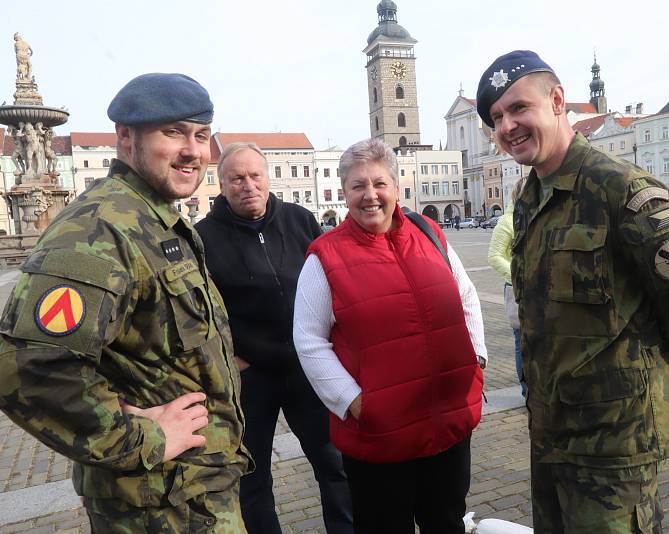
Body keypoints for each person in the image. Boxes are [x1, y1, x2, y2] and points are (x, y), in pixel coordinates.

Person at [476, 50, 669, 533]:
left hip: (616, 438)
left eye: (518, 108)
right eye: (496, 118)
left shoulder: (620, 189)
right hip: (552, 429)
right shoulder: (530, 198)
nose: (507, 127)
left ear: (558, 100)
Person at [0, 73, 252, 532]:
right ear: (124, 137)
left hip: (195, 490)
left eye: (200, 135)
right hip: (157, 507)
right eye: (172, 132)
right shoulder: (99, 228)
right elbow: (27, 367)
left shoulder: (156, 220)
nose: (193, 151)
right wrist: (142, 438)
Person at [293, 138, 486, 534]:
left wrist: (477, 359)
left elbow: (465, 295)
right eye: (357, 186)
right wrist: (355, 402)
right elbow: (309, 341)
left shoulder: (428, 231)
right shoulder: (325, 257)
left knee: (446, 522)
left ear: (396, 187)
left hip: (446, 422)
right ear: (344, 192)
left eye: (379, 183)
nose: (370, 195)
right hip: (381, 435)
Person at [195, 142, 354, 533]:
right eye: (237, 178)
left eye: (255, 176)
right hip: (251, 376)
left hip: (308, 368)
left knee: (334, 464)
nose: (247, 185)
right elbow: (197, 311)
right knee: (252, 476)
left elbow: (333, 280)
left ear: (267, 179)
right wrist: (228, 356)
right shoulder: (202, 237)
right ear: (222, 184)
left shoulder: (299, 220)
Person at [487, 178, 526, 397]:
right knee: (521, 340)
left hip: (540, 289)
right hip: (517, 289)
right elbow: (494, 257)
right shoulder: (507, 222)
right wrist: (519, 275)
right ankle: (526, 390)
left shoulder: (535, 217)